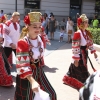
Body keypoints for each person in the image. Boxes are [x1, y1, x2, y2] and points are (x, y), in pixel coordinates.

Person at [14, 12, 57, 100]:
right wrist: (32, 81)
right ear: (27, 26)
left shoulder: (40, 39)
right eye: (34, 26)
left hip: (39, 72)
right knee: (27, 97)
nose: (38, 29)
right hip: (27, 76)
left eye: (39, 26)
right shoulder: (22, 42)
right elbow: (23, 65)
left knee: (51, 94)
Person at [63, 14, 98, 90]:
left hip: (84, 53)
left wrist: (94, 52)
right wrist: (76, 58)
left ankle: (69, 78)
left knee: (76, 68)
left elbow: (89, 43)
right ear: (81, 24)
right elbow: (75, 46)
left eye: (87, 22)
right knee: (80, 68)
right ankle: (83, 83)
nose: (87, 24)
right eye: (85, 22)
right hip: (79, 54)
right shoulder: (78, 33)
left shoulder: (86, 33)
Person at [0, 15, 13, 86]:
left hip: (2, 47)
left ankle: (5, 81)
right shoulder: (2, 25)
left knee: (3, 64)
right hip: (3, 46)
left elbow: (2, 37)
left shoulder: (2, 25)